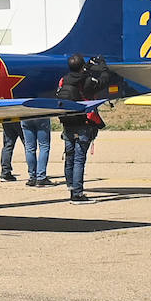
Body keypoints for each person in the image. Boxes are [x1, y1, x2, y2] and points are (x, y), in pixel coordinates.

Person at [57, 54, 104, 204]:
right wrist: (102, 68)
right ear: (82, 66)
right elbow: (102, 82)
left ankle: (71, 187)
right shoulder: (86, 80)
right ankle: (77, 194)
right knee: (79, 159)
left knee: (69, 157)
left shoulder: (63, 80)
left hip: (67, 123)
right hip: (83, 123)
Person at [20, 116, 53, 187]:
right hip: (41, 115)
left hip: (25, 116)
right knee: (44, 146)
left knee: (29, 148)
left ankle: (32, 177)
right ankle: (41, 177)